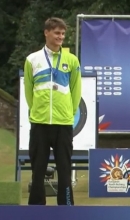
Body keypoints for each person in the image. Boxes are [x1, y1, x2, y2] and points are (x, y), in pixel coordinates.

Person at [24, 17, 82, 206]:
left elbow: (76, 90)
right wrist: (36, 111)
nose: (60, 37)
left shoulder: (71, 60)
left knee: (64, 169)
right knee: (38, 169)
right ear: (46, 32)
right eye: (57, 33)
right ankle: (36, 209)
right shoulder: (32, 59)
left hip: (63, 124)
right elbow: (29, 91)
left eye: (63, 34)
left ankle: (66, 207)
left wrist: (69, 113)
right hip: (40, 122)